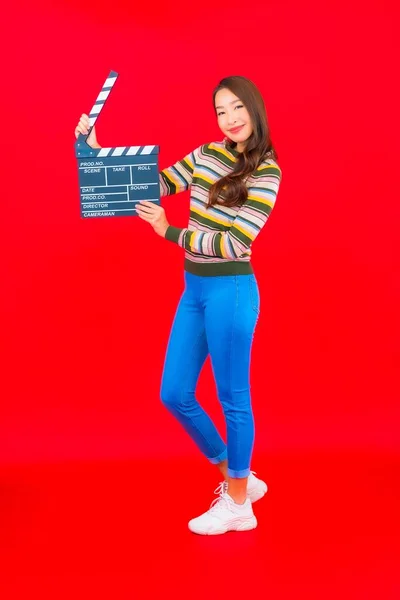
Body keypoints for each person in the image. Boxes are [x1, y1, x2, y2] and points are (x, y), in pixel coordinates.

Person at [74, 75, 282, 535]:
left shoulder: (266, 171)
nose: (229, 119)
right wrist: (94, 149)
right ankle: (238, 478)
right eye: (220, 111)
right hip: (195, 289)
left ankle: (239, 505)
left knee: (233, 400)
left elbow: (234, 242)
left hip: (231, 291)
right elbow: (158, 182)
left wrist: (171, 232)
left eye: (236, 108)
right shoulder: (208, 154)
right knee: (174, 393)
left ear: (254, 108)